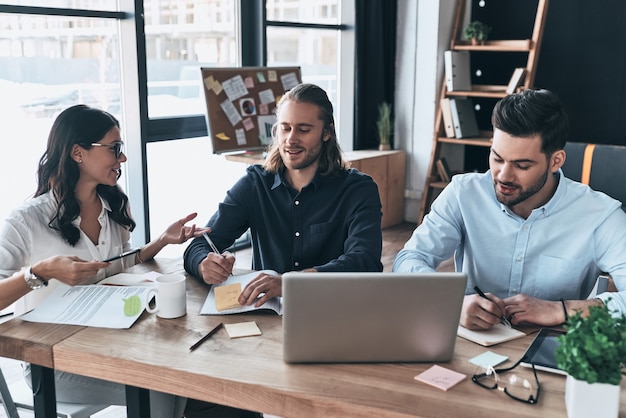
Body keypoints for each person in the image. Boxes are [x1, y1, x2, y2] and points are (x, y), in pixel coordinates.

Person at [182, 83, 383, 417]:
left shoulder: (358, 189)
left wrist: (290, 281)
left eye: (304, 129)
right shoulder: (255, 183)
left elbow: (364, 261)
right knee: (211, 394)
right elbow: (203, 241)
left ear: (327, 133)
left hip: (332, 321)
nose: (291, 139)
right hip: (266, 328)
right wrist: (204, 262)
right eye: (285, 128)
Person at [0, 104, 209, 417]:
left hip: (107, 345)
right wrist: (41, 272)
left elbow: (119, 265)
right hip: (54, 363)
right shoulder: (25, 221)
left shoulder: (111, 208)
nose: (122, 158)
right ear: (78, 153)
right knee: (163, 387)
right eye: (115, 148)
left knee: (184, 377)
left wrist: (162, 241)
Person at [393, 89, 626, 330]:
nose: (503, 175)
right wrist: (450, 303)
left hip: (550, 349)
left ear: (556, 161)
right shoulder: (463, 194)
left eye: (522, 165)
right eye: (497, 158)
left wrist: (561, 309)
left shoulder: (600, 215)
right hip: (471, 342)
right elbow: (409, 259)